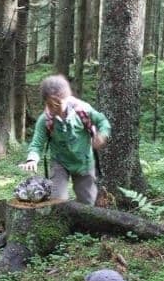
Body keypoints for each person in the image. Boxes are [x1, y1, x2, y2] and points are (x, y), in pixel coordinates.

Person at [19, 75, 110, 205]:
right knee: (57, 201)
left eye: (58, 104)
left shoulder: (83, 110)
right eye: (50, 105)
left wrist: (102, 134)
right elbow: (37, 143)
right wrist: (32, 159)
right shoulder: (45, 120)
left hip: (83, 162)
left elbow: (102, 121)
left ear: (67, 99)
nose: (54, 108)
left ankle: (82, 224)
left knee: (88, 203)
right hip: (59, 163)